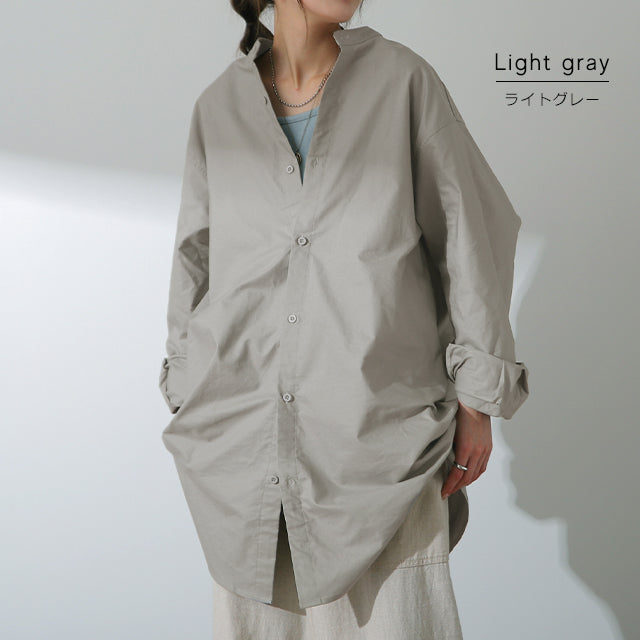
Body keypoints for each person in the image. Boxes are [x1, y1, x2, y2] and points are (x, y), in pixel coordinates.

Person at [158, 1, 530, 638]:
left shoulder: (403, 83)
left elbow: (469, 232)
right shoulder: (219, 108)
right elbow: (196, 261)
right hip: (242, 451)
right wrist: (187, 389)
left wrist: (478, 399)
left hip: (380, 443)